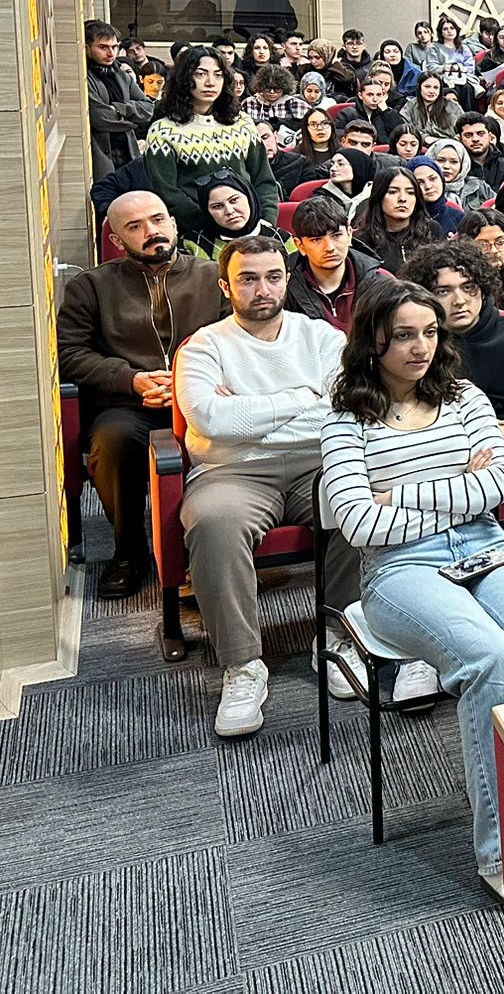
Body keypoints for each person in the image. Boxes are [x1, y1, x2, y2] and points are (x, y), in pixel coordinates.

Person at [320, 276, 504, 891]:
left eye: (431, 333)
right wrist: (458, 491)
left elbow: (499, 487)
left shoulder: (465, 397)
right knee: (489, 658)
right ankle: (503, 854)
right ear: (373, 341)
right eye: (404, 336)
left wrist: (400, 493)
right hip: (399, 568)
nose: (421, 347)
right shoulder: (345, 420)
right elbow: (358, 524)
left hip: (485, 545)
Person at [175, 237, 356, 735]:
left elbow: (344, 413)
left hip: (316, 462)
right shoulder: (204, 346)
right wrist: (302, 396)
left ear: (286, 279)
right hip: (232, 470)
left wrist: (246, 412)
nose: (263, 289)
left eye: (273, 277)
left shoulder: (322, 338)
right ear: (225, 286)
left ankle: (337, 635)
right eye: (248, 279)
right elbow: (210, 419)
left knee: (353, 501)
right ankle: (242, 665)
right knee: (214, 522)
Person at [56, 192, 227, 597]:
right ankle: (128, 551)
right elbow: (70, 353)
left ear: (173, 223)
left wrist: (187, 383)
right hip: (129, 404)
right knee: (112, 442)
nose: (152, 232)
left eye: (158, 220)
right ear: (117, 240)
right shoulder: (91, 287)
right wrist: (130, 379)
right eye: (135, 227)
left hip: (204, 398)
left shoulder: (213, 276)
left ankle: (210, 546)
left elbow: (237, 335)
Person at [407, 238, 504, 495]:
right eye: (443, 291)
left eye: (468, 287)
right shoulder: (417, 348)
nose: (459, 301)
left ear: (483, 290)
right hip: (440, 455)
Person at [142, 45, 279, 239]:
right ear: (184, 78)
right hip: (197, 236)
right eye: (200, 74)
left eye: (218, 75)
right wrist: (217, 227)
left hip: (252, 232)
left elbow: (263, 177)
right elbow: (168, 193)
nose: (210, 83)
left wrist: (265, 219)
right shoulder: (162, 132)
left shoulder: (242, 123)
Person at [285, 191, 384, 331]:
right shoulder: (284, 290)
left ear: (349, 235)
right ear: (300, 245)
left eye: (337, 235)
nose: (329, 248)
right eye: (316, 240)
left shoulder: (379, 284)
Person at [86, 18, 158, 179]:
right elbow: (99, 118)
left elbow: (148, 108)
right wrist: (131, 122)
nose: (111, 53)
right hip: (102, 158)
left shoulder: (120, 74)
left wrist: (119, 109)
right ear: (87, 48)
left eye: (114, 47)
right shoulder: (86, 78)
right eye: (103, 47)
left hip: (129, 154)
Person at [357, 167, 444, 275]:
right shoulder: (362, 241)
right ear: (379, 196)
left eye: (410, 193)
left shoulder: (432, 230)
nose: (403, 198)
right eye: (393, 192)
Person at [191, 173, 289, 260]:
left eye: (234, 200)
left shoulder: (282, 238)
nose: (229, 211)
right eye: (217, 206)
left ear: (250, 198)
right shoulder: (194, 244)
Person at [404, 71, 463, 139]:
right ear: (419, 87)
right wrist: (425, 138)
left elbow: (464, 128)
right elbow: (405, 128)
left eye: (436, 87)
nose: (431, 91)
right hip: (420, 143)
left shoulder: (452, 106)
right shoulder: (410, 106)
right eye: (427, 87)